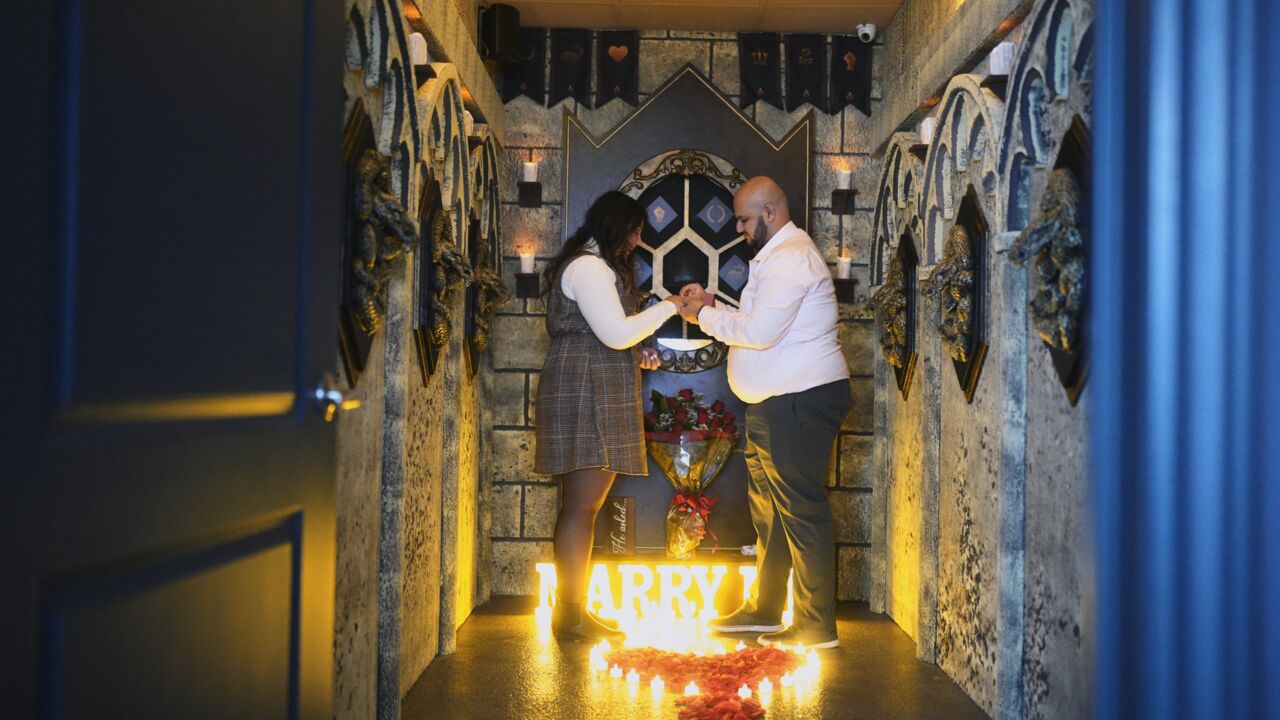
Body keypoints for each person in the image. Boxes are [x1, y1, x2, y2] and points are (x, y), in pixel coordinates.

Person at [678, 176, 851, 649]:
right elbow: (760, 321)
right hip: (774, 403)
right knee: (771, 515)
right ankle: (766, 608)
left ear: (770, 213)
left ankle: (815, 624)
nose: (739, 228)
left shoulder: (792, 257)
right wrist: (714, 305)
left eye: (744, 219)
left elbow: (760, 333)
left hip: (799, 399)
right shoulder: (775, 258)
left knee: (800, 509)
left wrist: (703, 316)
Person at [534, 190, 690, 643]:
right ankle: (570, 616)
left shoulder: (597, 266)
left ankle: (573, 612)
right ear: (615, 226)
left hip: (592, 383)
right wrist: (669, 306)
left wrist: (634, 354)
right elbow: (614, 334)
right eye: (634, 231)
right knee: (581, 507)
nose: (637, 241)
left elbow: (606, 336)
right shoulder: (588, 268)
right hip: (585, 389)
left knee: (585, 506)